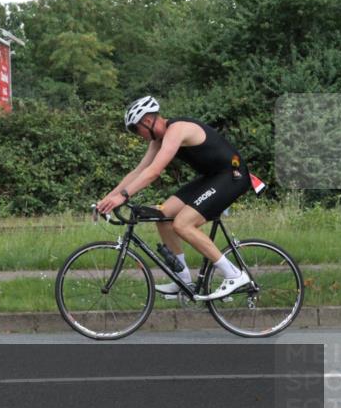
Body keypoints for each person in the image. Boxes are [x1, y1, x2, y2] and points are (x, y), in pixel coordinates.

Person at [95, 96, 252, 301]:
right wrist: (108, 198)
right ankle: (183, 280)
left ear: (147, 121)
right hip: (212, 178)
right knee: (161, 215)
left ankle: (234, 275)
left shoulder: (177, 130)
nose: (138, 135)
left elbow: (153, 172)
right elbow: (138, 171)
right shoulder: (158, 141)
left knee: (182, 224)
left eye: (136, 130)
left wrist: (123, 196)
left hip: (232, 176)